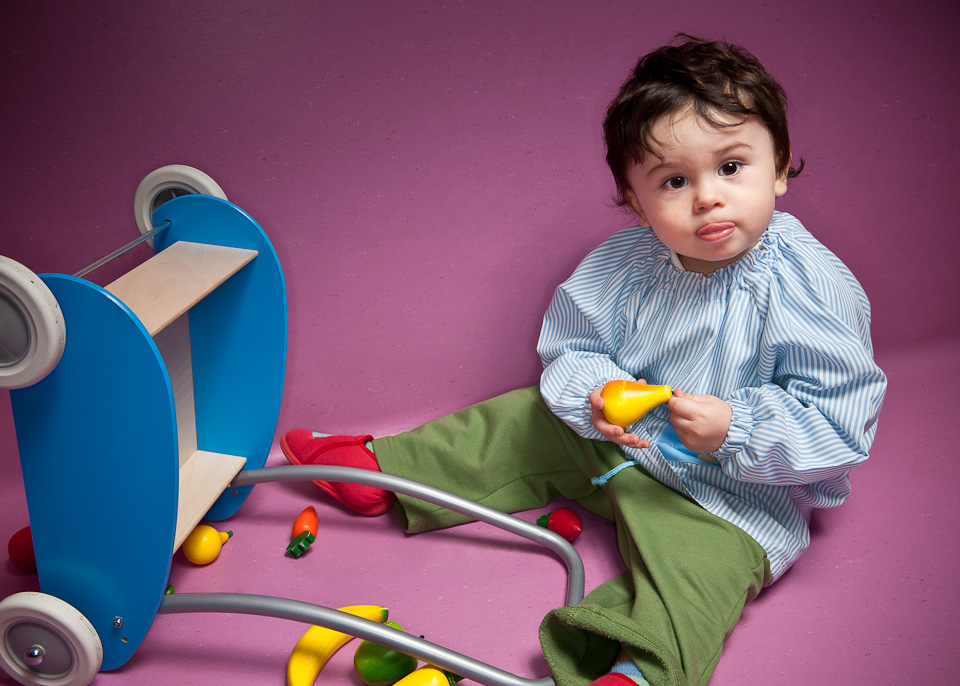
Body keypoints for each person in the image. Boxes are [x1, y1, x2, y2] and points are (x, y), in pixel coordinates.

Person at [281, 35, 888, 686]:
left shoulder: (811, 287)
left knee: (698, 585)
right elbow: (571, 347)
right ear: (635, 199)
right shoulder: (627, 263)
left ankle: (633, 667)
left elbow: (839, 426)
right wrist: (598, 394)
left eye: (731, 167)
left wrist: (735, 428)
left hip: (731, 502)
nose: (707, 197)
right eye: (675, 181)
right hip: (617, 448)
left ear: (780, 167)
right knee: (519, 419)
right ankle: (390, 470)